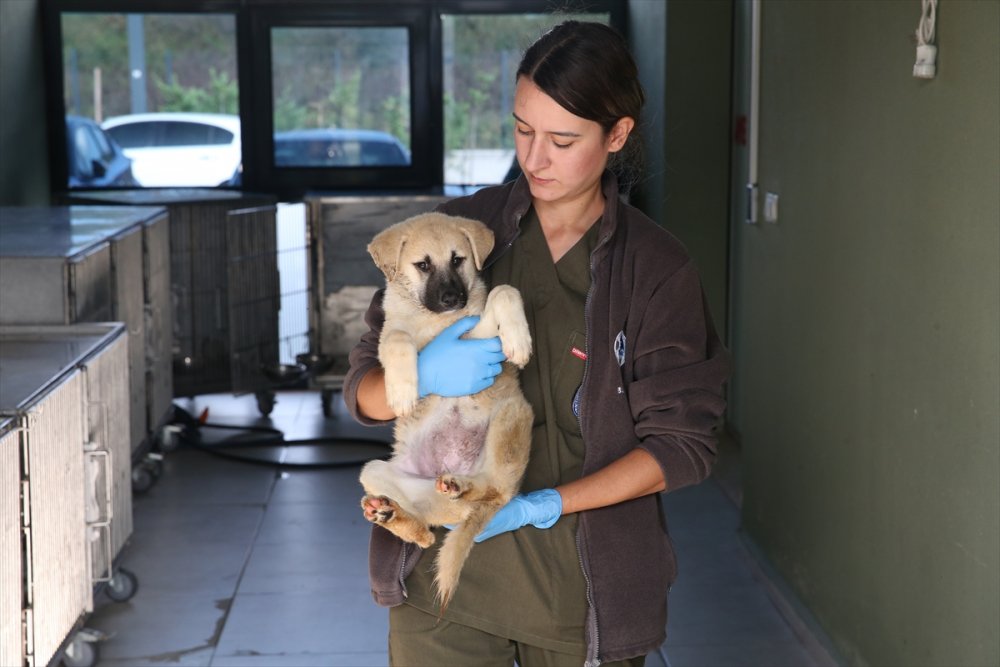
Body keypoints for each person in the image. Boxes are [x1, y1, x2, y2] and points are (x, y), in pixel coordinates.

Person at [344, 20, 730, 667]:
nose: (535, 158)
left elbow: (683, 446)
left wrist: (548, 504)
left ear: (618, 134)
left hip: (579, 595)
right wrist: (424, 371)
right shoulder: (461, 233)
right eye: (523, 129)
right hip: (443, 586)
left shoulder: (657, 269)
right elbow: (363, 391)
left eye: (562, 139)